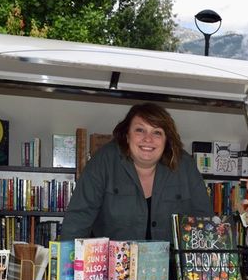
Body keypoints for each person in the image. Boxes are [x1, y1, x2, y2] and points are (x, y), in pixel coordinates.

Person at [61, 103, 213, 242]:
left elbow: (205, 221)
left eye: (157, 132)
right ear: (127, 136)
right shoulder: (103, 161)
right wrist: (67, 267)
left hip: (173, 267)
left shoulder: (185, 165)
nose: (148, 139)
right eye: (140, 130)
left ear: (166, 140)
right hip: (114, 266)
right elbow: (77, 219)